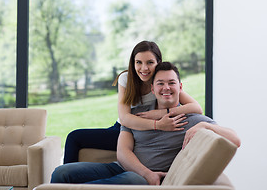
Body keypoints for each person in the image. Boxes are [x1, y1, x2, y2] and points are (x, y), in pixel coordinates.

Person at [51, 62, 240, 185]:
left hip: (139, 179)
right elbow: (123, 151)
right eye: (160, 83)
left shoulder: (192, 119)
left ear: (180, 87)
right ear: (152, 88)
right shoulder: (138, 113)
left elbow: (235, 139)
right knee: (62, 173)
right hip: (120, 167)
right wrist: (144, 171)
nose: (166, 88)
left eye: (172, 83)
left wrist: (205, 126)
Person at [63, 41, 202, 163]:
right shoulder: (126, 79)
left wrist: (163, 112)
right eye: (139, 62)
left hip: (145, 135)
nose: (144, 68)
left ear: (158, 63)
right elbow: (124, 118)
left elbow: (196, 108)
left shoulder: (162, 83)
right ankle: (64, 186)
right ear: (133, 63)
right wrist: (157, 124)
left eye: (150, 62)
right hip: (123, 130)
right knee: (74, 137)